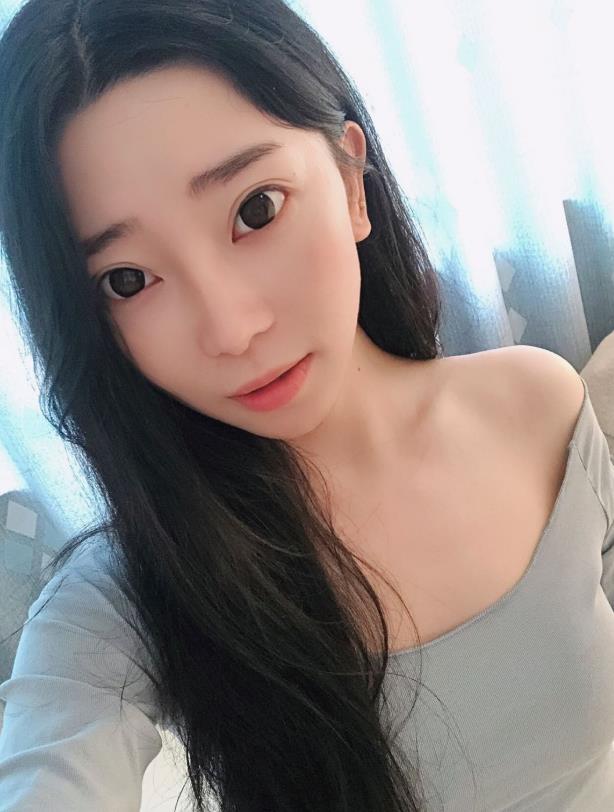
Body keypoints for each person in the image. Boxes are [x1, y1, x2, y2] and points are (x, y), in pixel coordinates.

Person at [0, 1, 613, 810]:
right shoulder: (134, 590)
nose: (231, 329)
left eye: (255, 209)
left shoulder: (536, 402)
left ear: (352, 182)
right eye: (128, 280)